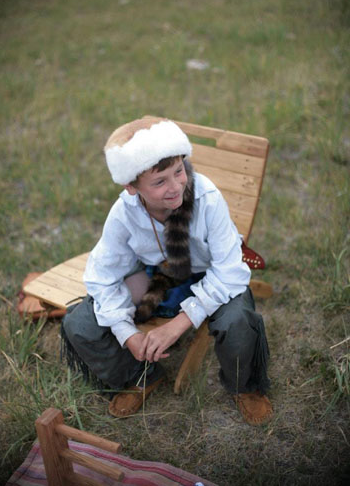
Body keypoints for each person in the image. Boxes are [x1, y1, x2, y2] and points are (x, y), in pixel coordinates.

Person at [61, 117, 273, 425]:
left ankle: (245, 386)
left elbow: (230, 272)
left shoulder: (206, 198)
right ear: (132, 187)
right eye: (160, 182)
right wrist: (126, 334)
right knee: (79, 323)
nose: (175, 187)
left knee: (238, 319)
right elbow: (101, 276)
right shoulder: (123, 214)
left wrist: (178, 325)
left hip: (211, 274)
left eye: (179, 171)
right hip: (158, 275)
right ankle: (139, 376)